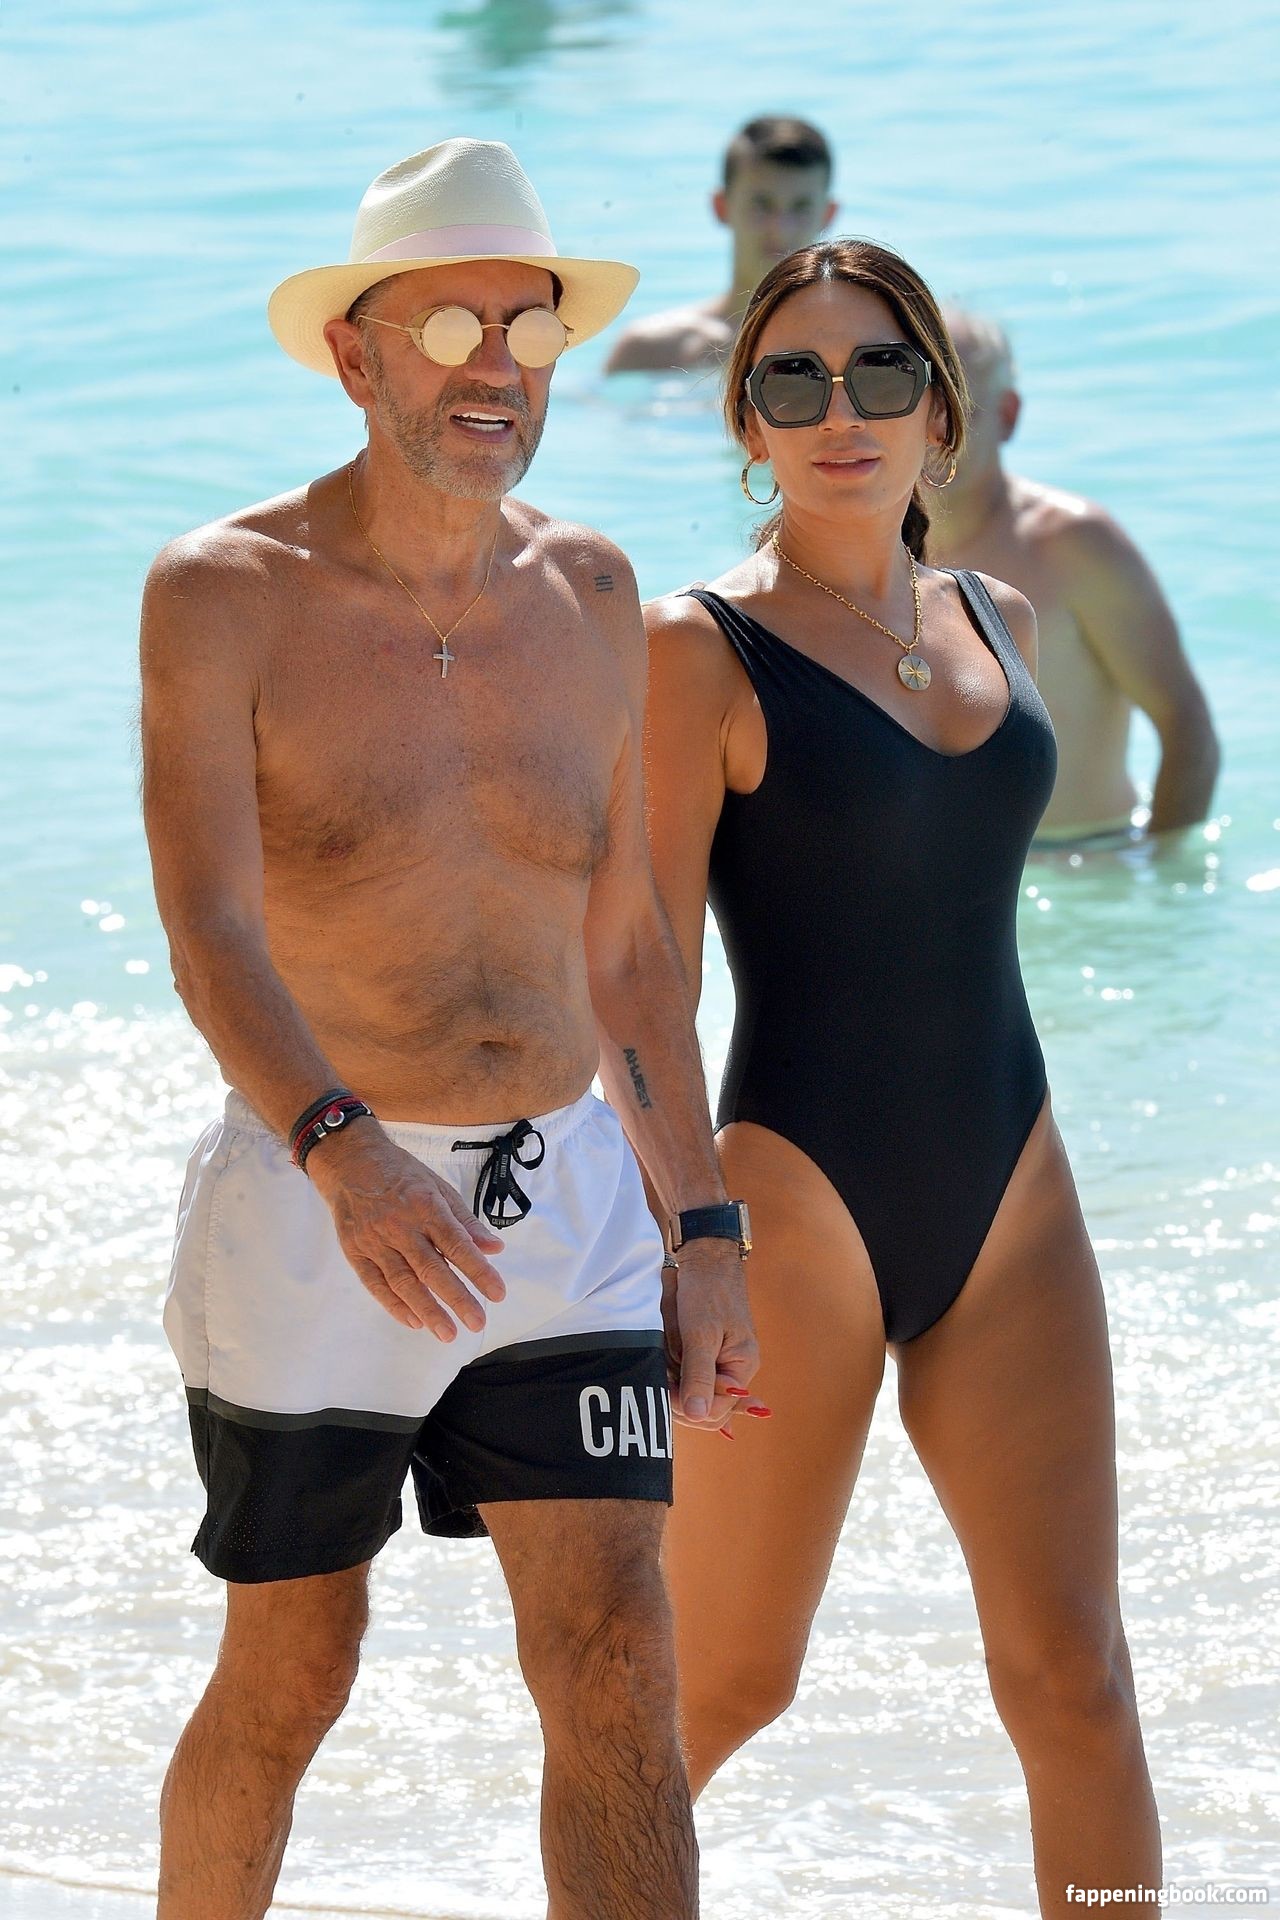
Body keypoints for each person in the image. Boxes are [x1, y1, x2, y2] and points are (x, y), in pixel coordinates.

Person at [141, 137, 762, 1920]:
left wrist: (703, 1226)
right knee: (293, 1676)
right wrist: (348, 1159)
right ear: (355, 354)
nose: (498, 366)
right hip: (317, 1194)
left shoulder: (593, 593)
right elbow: (210, 933)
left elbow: (629, 948)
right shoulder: (224, 593)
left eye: (530, 327)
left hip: (564, 1203)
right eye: (448, 327)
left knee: (617, 1660)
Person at [642, 239, 1161, 1916]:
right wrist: (692, 1236)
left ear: (942, 408)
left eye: (880, 370)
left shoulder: (1000, 617)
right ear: (748, 424)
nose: (839, 410)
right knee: (724, 1686)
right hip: (796, 1203)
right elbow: (637, 976)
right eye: (791, 379)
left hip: (1013, 1188)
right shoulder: (698, 650)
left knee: (1076, 1678)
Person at [929, 306, 1219, 846]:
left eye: (959, 405)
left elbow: (1186, 727)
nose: (937, 427)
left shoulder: (1074, 544)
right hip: (955, 878)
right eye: (919, 400)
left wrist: (1160, 873)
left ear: (1008, 415)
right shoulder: (869, 555)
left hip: (1092, 859)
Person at [604, 115, 836, 375]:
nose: (780, 228)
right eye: (761, 204)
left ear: (828, 215)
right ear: (721, 206)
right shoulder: (650, 350)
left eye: (801, 207)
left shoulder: (850, 350)